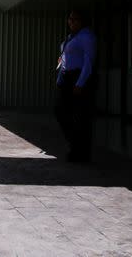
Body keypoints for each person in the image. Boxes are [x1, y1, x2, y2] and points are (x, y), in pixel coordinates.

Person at [54, 9, 97, 163]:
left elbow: (89, 61)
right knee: (61, 112)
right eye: (70, 19)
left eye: (75, 19)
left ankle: (80, 151)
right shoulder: (73, 37)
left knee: (80, 117)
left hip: (77, 77)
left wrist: (80, 83)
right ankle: (76, 146)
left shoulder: (86, 36)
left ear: (83, 21)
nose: (71, 22)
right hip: (66, 77)